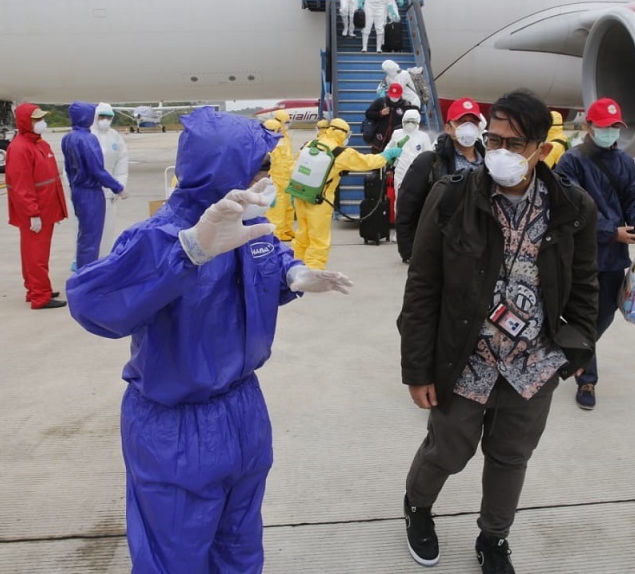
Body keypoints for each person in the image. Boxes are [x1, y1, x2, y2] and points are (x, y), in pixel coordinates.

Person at [66, 108, 353, 573]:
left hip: (243, 411)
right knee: (173, 556)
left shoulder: (249, 226)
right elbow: (94, 304)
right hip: (176, 428)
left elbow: (268, 259)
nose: (268, 177)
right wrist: (186, 253)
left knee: (239, 545)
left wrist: (294, 273)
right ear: (226, 171)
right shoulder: (156, 237)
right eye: (260, 168)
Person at [398, 89, 599, 573]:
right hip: (464, 358)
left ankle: (494, 538)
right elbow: (422, 287)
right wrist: (417, 368)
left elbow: (586, 285)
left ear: (542, 150)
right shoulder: (451, 198)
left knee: (511, 458)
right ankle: (418, 506)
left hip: (534, 365)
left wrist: (574, 349)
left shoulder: (573, 207)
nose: (500, 152)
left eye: (513, 143)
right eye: (494, 139)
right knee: (447, 450)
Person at [554, 97, 635, 410]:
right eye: (604, 126)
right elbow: (570, 207)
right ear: (588, 127)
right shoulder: (571, 162)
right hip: (580, 256)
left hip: (613, 258)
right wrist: (611, 231)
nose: (610, 132)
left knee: (607, 312)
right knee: (584, 316)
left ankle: (568, 351)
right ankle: (587, 381)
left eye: (615, 127)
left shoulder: (624, 162)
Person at [292, 118, 401, 269]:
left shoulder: (311, 144)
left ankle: (295, 266)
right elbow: (368, 162)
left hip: (301, 196)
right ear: (341, 133)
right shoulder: (340, 153)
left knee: (302, 235)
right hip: (320, 201)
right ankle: (313, 271)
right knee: (319, 239)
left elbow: (294, 167)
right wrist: (387, 155)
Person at [395, 97, 486, 263]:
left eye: (473, 122)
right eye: (462, 122)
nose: (468, 128)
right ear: (448, 128)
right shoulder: (429, 162)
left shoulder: (489, 164)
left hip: (479, 252)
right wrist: (409, 251)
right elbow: (406, 206)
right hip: (441, 252)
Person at [5, 103, 69, 309]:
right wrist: (32, 213)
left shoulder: (39, 144)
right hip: (36, 212)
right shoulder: (19, 148)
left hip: (46, 209)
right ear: (26, 122)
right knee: (36, 255)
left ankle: (37, 288)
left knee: (36, 253)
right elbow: (21, 185)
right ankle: (40, 296)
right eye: (36, 119)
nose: (41, 122)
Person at [61, 101, 126, 270]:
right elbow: (97, 169)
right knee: (93, 236)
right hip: (91, 192)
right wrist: (118, 187)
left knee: (83, 234)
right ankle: (89, 273)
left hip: (77, 190)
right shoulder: (88, 139)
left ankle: (83, 270)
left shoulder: (68, 137)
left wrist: (72, 187)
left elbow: (67, 169)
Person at [92, 102, 130, 257]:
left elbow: (122, 163)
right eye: (102, 116)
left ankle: (105, 257)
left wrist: (119, 187)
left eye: (109, 117)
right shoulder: (87, 134)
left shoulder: (115, 137)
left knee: (108, 227)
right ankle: (82, 258)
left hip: (109, 192)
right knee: (86, 228)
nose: (105, 120)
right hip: (88, 191)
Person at [262, 110, 296, 241]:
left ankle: (287, 229)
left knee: (288, 205)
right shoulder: (271, 138)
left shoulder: (283, 135)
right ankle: (277, 233)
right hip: (276, 178)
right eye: (286, 122)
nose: (287, 125)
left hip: (286, 177)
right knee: (277, 208)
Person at [385, 108, 430, 195]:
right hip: (400, 171)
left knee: (416, 199)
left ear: (417, 122)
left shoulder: (423, 137)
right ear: (403, 120)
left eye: (413, 121)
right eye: (407, 121)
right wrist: (388, 161)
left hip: (418, 173)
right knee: (399, 198)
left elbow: (429, 156)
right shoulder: (397, 134)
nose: (410, 124)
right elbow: (388, 149)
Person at [363, 83, 418, 153]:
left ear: (401, 95)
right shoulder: (381, 102)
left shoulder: (405, 105)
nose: (394, 98)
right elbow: (368, 114)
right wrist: (380, 113)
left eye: (396, 96)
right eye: (392, 96)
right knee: (376, 160)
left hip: (396, 139)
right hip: (379, 140)